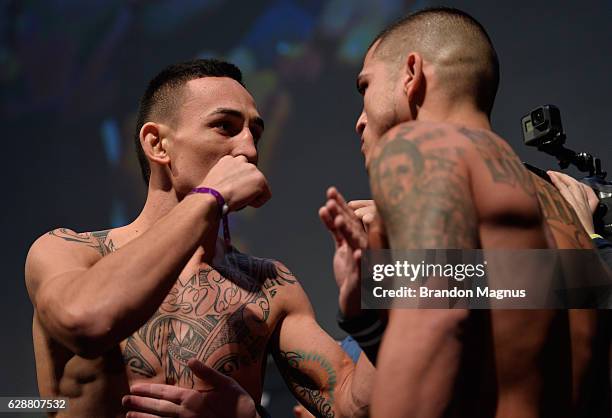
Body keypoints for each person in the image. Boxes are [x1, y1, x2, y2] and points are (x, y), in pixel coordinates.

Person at [25, 59, 374, 418]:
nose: (250, 151)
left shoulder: (269, 286)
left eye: (255, 133)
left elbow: (360, 409)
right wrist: (210, 196)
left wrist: (393, 265)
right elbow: (87, 322)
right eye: (225, 126)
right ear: (157, 144)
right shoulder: (68, 251)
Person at [319, 7, 610, 418]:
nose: (359, 120)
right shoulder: (557, 206)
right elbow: (505, 314)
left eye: (365, 87)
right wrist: (371, 296)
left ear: (411, 73)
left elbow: (437, 324)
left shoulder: (421, 149)